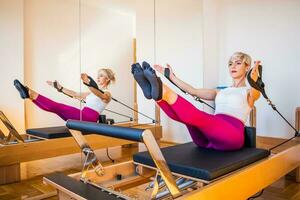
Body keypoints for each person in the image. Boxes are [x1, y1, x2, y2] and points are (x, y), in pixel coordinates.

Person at [132, 52, 261, 151]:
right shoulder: (220, 91)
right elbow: (192, 90)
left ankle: (162, 91)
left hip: (231, 136)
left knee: (200, 118)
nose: (233, 66)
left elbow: (256, 93)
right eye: (230, 63)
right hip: (206, 140)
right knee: (187, 120)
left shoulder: (249, 92)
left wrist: (254, 80)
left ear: (247, 67)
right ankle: (159, 97)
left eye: (238, 63)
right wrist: (171, 77)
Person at [14, 68, 115, 122]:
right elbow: (75, 94)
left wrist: (87, 83)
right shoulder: (91, 93)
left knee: (59, 106)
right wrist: (60, 88)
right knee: (55, 109)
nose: (98, 78)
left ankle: (30, 93)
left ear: (108, 79)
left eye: (101, 76)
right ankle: (30, 96)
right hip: (82, 115)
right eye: (98, 76)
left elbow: (99, 94)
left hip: (88, 118)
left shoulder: (107, 94)